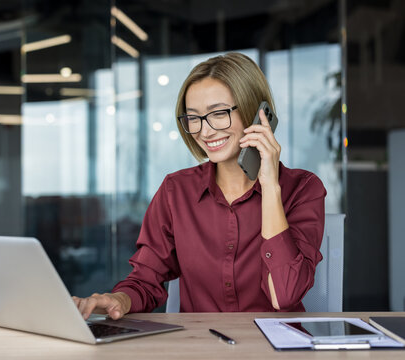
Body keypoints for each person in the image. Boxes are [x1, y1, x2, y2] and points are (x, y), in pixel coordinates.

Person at [73, 52, 326, 319]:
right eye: (194, 118)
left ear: (256, 114)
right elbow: (145, 280)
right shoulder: (176, 192)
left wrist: (270, 187)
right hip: (201, 347)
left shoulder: (303, 189)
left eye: (218, 113)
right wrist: (118, 300)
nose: (205, 131)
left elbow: (285, 295)